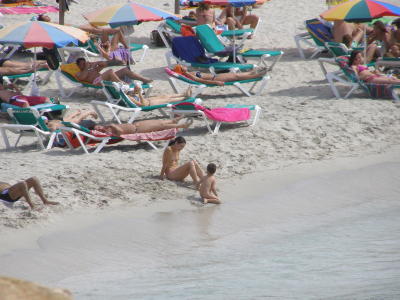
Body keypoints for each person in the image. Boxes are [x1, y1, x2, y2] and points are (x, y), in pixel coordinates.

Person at [75, 57, 153, 86]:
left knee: (125, 70)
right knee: (110, 71)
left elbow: (104, 65)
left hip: (104, 78)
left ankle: (144, 79)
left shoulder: (91, 68)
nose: (84, 65)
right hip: (96, 83)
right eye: (82, 64)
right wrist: (87, 68)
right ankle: (123, 85)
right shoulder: (79, 73)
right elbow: (82, 78)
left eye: (84, 63)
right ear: (78, 66)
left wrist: (96, 63)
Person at [38, 14, 120, 41]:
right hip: (75, 30)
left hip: (75, 28)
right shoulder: (51, 25)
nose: (47, 15)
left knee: (94, 26)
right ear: (43, 20)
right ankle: (115, 30)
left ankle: (115, 30)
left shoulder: (51, 23)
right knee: (95, 29)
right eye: (45, 16)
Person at [94, 116, 193, 137]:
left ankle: (174, 120)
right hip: (138, 130)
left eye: (97, 126)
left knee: (159, 121)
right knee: (161, 125)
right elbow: (120, 133)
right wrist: (112, 125)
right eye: (97, 129)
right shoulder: (108, 132)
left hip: (136, 124)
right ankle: (183, 125)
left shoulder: (107, 128)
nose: (99, 127)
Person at [173, 64, 267, 86]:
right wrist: (215, 82)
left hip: (215, 76)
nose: (183, 65)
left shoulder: (189, 72)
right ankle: (256, 75)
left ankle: (254, 72)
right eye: (182, 66)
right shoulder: (189, 75)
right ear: (181, 70)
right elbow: (199, 81)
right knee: (236, 76)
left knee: (235, 75)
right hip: (214, 79)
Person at [126, 85, 192, 107]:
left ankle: (184, 94)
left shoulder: (128, 94)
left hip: (148, 100)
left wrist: (136, 90)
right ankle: (185, 97)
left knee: (165, 96)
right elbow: (142, 105)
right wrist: (140, 93)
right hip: (149, 104)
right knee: (167, 100)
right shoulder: (129, 98)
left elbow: (135, 94)